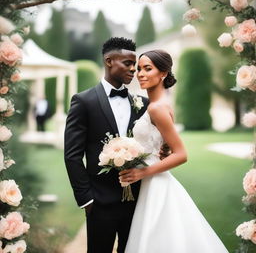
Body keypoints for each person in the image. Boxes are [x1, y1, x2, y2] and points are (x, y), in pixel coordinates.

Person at [64, 38, 168, 253]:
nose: (134, 70)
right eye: (128, 63)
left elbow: (155, 141)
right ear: (109, 61)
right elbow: (72, 155)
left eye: (136, 65)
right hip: (99, 202)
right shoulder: (83, 101)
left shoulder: (143, 103)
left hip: (139, 199)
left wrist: (163, 149)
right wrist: (86, 199)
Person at [119, 50, 229, 253]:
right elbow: (164, 141)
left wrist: (142, 172)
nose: (140, 73)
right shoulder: (160, 105)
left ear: (163, 73)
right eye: (140, 68)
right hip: (153, 180)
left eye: (148, 68)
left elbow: (182, 154)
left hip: (154, 182)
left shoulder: (156, 108)